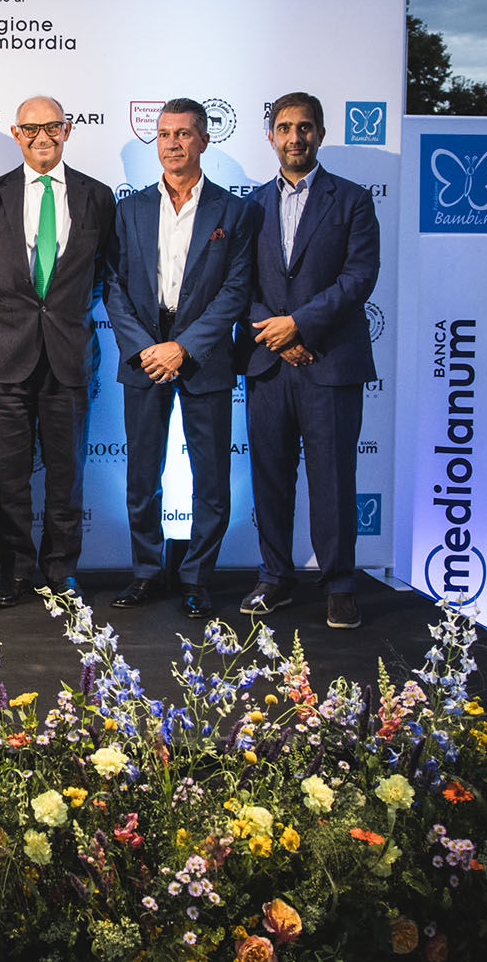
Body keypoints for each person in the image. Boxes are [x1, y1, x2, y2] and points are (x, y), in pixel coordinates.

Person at [102, 98, 258, 618]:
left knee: (211, 478)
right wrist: (145, 347)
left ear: (204, 141)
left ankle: (196, 577)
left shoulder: (233, 211)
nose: (172, 143)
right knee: (141, 476)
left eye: (184, 133)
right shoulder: (130, 209)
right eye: (165, 134)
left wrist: (185, 347)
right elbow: (114, 285)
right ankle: (147, 572)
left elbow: (235, 290)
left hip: (202, 355)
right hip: (144, 353)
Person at [238, 92, 380, 629]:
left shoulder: (353, 200)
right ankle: (274, 577)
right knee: (270, 478)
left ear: (320, 133)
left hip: (330, 362)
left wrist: (298, 324)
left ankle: (339, 584)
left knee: (334, 479)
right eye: (284, 127)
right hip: (269, 365)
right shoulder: (250, 205)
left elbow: (358, 278)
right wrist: (276, 335)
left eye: (304, 127)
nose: (294, 137)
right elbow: (239, 284)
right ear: (270, 136)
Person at [0, 95, 116, 607]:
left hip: (69, 356)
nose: (42, 137)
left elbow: (106, 274)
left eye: (51, 127)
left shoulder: (97, 197)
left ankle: (61, 571)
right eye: (30, 129)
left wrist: (68, 313)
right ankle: (14, 572)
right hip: (5, 357)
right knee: (8, 475)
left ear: (67, 130)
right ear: (16, 134)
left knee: (66, 475)